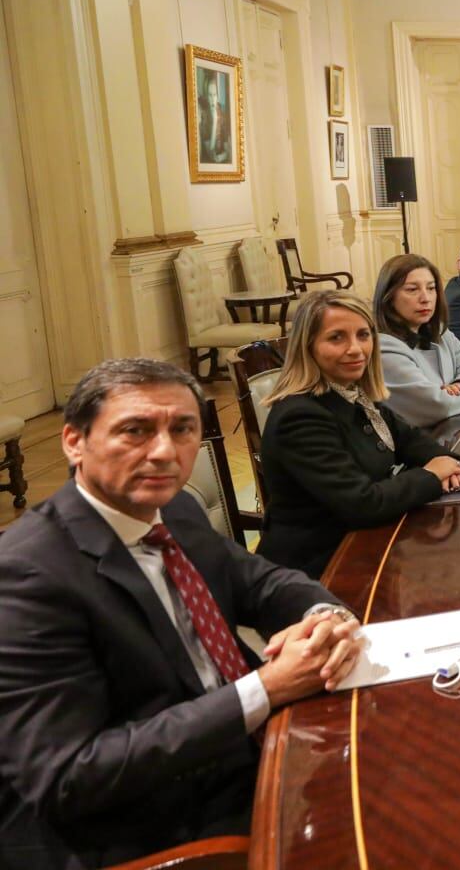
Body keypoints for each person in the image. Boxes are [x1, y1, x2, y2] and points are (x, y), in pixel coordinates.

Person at [0, 359, 363, 868]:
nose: (165, 452)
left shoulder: (174, 509)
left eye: (183, 429)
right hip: (147, 822)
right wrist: (268, 687)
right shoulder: (27, 574)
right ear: (73, 442)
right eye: (136, 430)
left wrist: (328, 616)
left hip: (245, 749)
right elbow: (69, 776)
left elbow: (261, 581)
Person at [256, 290, 460, 578]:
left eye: (363, 335)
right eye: (336, 337)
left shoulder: (350, 392)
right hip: (315, 571)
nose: (355, 348)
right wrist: (431, 475)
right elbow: (363, 503)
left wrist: (445, 461)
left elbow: (409, 439)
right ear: (308, 347)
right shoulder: (301, 416)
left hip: (364, 546)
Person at [372, 254, 460, 427]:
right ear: (389, 297)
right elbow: (435, 406)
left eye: (431, 288)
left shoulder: (439, 331)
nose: (425, 298)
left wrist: (459, 385)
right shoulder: (383, 347)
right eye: (412, 289)